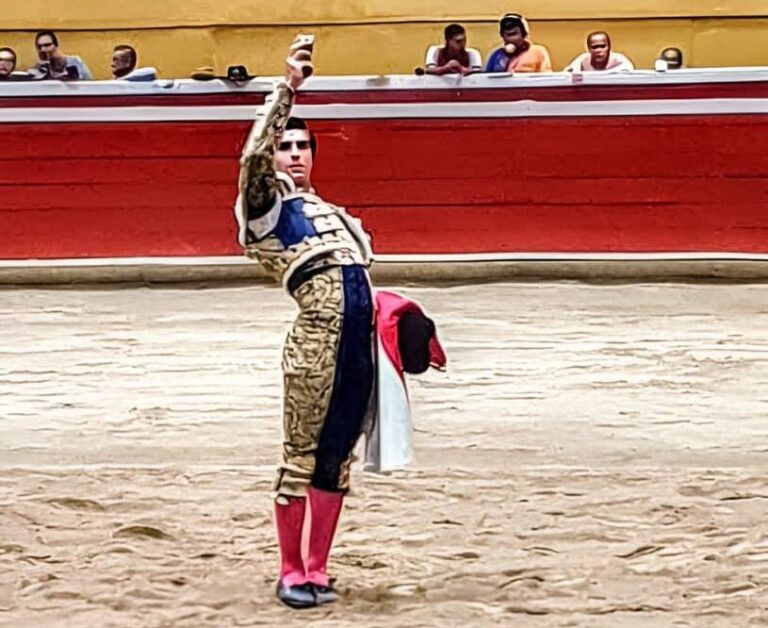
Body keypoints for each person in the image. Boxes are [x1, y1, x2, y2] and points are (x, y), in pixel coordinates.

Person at [233, 35, 376, 610]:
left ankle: (318, 567)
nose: (293, 153)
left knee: (335, 455)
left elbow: (360, 280)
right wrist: (286, 89)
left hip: (359, 340)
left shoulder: (338, 216)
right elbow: (250, 158)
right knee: (300, 455)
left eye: (302, 147)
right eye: (285, 146)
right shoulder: (267, 208)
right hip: (316, 338)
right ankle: (290, 569)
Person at [484, 13, 552, 73]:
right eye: (508, 34)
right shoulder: (497, 55)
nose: (509, 26)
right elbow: (486, 79)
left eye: (514, 34)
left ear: (524, 33)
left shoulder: (538, 52)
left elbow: (546, 77)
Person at [564, 31, 634, 72]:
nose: (599, 50)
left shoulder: (619, 61)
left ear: (609, 47)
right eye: (595, 47)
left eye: (603, 46)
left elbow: (630, 73)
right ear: (588, 49)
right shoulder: (583, 60)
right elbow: (567, 74)